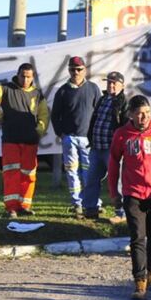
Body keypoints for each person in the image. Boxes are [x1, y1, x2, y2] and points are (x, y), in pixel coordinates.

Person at [108, 95, 151, 300]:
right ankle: (139, 282)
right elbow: (113, 164)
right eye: (139, 113)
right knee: (138, 237)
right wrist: (114, 192)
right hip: (133, 194)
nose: (143, 117)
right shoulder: (122, 135)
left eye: (147, 113)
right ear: (131, 115)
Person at [0, 62, 50, 218]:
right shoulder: (5, 89)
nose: (25, 80)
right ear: (18, 75)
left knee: (29, 175)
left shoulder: (38, 94)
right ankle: (11, 208)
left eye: (29, 77)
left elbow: (44, 115)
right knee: (11, 173)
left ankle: (24, 206)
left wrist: (39, 131)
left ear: (33, 77)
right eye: (23, 76)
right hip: (11, 139)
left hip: (30, 140)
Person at [50, 55, 100, 217]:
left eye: (79, 69)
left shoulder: (93, 88)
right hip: (69, 138)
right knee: (72, 172)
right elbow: (55, 115)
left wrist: (95, 134)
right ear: (69, 71)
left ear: (85, 70)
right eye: (72, 69)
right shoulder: (62, 91)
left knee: (90, 171)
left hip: (88, 139)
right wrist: (61, 133)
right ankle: (77, 203)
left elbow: (99, 112)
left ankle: (92, 203)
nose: (76, 72)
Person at [80, 71, 128, 220]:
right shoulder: (102, 99)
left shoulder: (124, 102)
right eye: (109, 82)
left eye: (114, 82)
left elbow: (125, 126)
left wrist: (120, 147)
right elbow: (95, 120)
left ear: (122, 85)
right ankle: (90, 209)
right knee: (91, 179)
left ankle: (121, 213)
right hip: (96, 147)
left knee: (117, 181)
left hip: (111, 150)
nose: (111, 85)